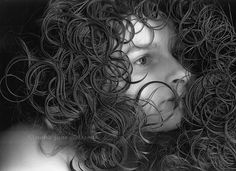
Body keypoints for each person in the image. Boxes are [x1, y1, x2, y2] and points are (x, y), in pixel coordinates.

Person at [0, 0, 236, 170]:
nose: (182, 72)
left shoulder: (176, 151)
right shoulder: (32, 155)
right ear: (85, 77)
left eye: (176, 53)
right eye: (142, 59)